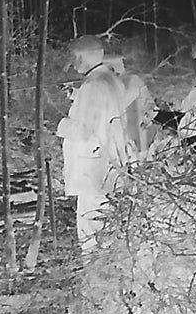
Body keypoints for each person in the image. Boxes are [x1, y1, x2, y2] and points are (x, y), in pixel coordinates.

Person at [56, 36, 136, 252]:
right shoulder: (112, 80)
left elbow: (83, 130)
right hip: (111, 163)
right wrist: (77, 96)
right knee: (109, 226)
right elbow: (104, 113)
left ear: (83, 58)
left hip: (91, 170)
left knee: (90, 230)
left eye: (75, 58)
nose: (73, 63)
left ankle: (93, 275)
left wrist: (60, 124)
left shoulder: (92, 86)